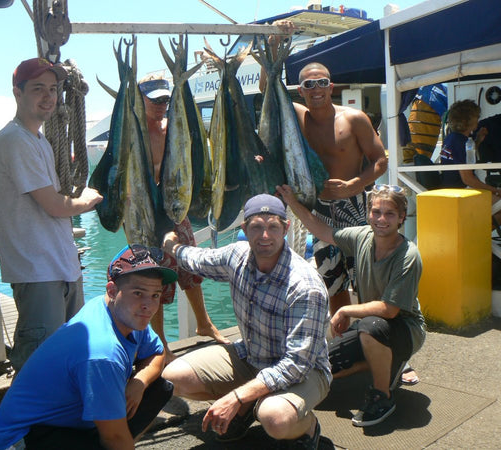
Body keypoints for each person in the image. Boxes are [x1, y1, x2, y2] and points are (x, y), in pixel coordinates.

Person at [162, 194, 331, 448]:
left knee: (274, 418)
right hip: (251, 356)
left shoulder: (305, 286)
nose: (265, 236)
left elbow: (296, 363)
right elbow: (199, 261)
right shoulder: (237, 256)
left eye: (273, 227)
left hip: (305, 372)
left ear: (286, 228)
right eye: (256, 227)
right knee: (172, 377)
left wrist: (237, 397)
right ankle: (248, 406)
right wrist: (171, 247)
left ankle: (307, 427)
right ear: (244, 229)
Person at [0, 245, 176, 450]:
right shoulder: (103, 352)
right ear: (112, 291)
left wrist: (140, 382)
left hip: (68, 422)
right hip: (25, 438)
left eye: (155, 295)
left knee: (160, 388)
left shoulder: (121, 312)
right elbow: (113, 438)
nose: (148, 306)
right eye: (138, 293)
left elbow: (158, 352)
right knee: (114, 439)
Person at [262, 23, 388, 318]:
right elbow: (267, 88)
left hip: (356, 207)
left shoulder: (354, 118)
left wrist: (353, 185)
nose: (315, 90)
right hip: (319, 210)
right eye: (308, 85)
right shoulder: (297, 116)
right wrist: (274, 45)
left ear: (331, 87)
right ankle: (346, 341)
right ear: (301, 90)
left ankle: (376, 338)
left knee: (368, 278)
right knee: (334, 282)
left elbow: (380, 161)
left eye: (321, 83)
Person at [277, 183, 426, 427]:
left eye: (389, 214)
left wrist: (346, 309)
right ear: (368, 214)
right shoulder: (361, 237)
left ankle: (382, 395)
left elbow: (390, 310)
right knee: (324, 364)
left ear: (401, 217)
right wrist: (291, 201)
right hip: (373, 328)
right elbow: (321, 229)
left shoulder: (408, 255)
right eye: (376, 212)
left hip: (406, 329)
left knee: (370, 326)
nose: (381, 219)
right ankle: (388, 362)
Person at [0, 58, 104, 371]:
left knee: (67, 357)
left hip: (60, 267)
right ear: (17, 92)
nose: (49, 96)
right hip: (37, 271)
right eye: (38, 88)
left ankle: (59, 418)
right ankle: (26, 421)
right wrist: (87, 199)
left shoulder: (38, 140)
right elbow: (54, 206)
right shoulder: (14, 140)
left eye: (53, 89)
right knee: (38, 365)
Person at [138, 74, 229, 362]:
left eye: (166, 100)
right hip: (147, 216)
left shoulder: (174, 129)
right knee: (155, 280)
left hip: (177, 210)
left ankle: (204, 323)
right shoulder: (136, 133)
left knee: (190, 267)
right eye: (155, 101)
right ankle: (161, 343)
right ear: (140, 99)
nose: (161, 106)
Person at [439, 99, 501, 226]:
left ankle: (474, 234)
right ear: (468, 121)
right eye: (476, 117)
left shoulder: (453, 138)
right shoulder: (460, 142)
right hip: (460, 189)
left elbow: (465, 157)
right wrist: (495, 190)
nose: (478, 119)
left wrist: (478, 140)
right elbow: (468, 179)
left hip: (454, 185)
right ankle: (473, 235)